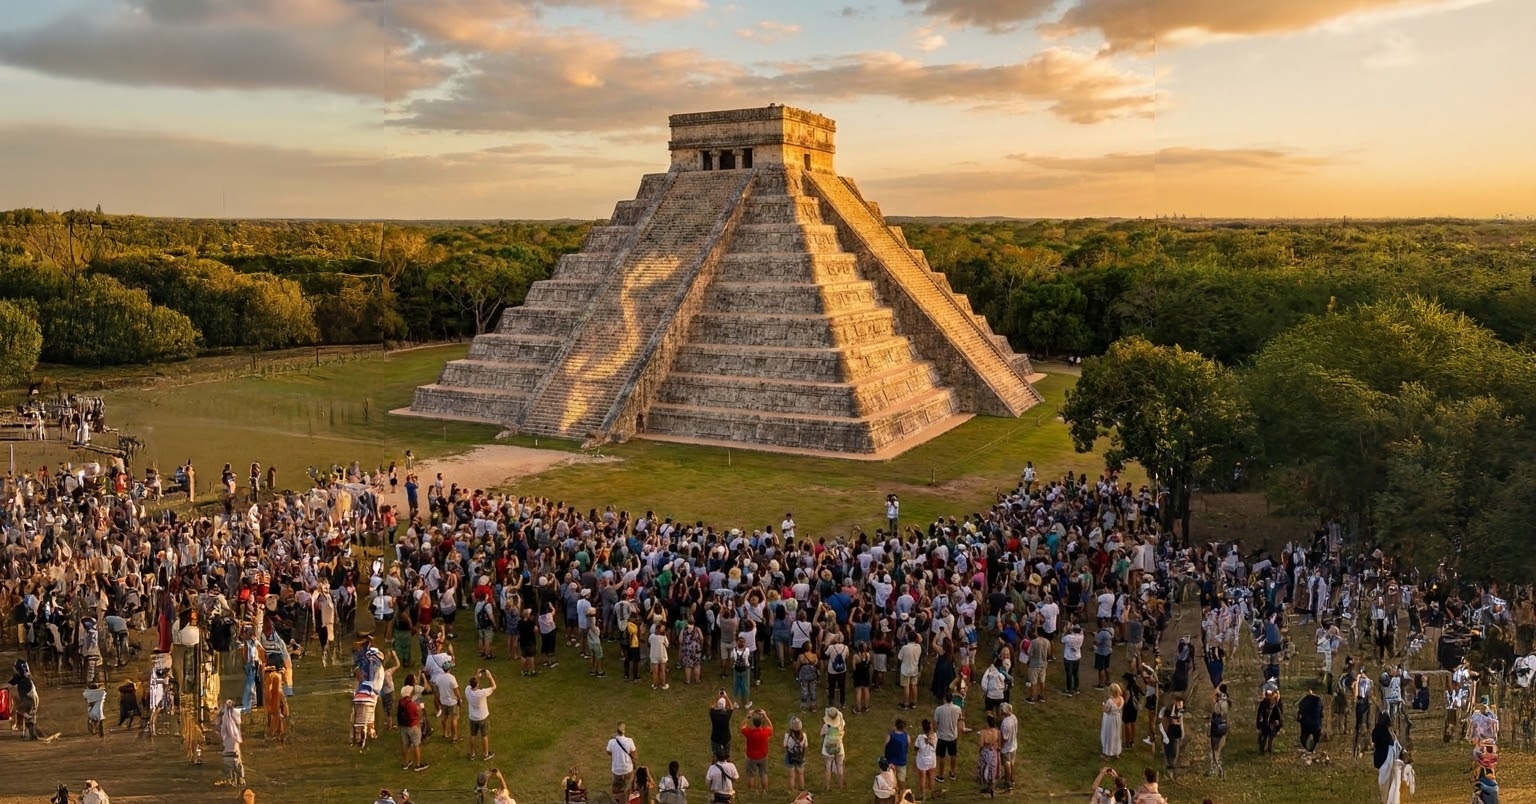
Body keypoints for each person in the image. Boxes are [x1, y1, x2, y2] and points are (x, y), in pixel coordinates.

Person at [466, 668, 497, 761]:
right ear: (477, 684)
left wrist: (477, 675)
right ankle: (486, 754)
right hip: (482, 717)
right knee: (484, 735)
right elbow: (494, 686)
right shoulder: (482, 693)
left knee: (473, 735)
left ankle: (472, 754)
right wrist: (490, 676)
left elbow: (474, 684)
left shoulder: (467, 690)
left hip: (472, 717)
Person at [741, 708, 773, 793]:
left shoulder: (749, 733)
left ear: (753, 723)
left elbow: (742, 726)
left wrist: (748, 716)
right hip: (763, 756)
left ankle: (750, 791)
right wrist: (765, 716)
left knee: (750, 775)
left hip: (751, 757)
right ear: (761, 723)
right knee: (763, 774)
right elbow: (771, 728)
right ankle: (764, 790)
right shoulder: (765, 732)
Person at [934, 694, 964, 783]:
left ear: (944, 699)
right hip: (953, 736)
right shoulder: (957, 708)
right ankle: (953, 773)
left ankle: (941, 775)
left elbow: (935, 723)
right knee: (953, 754)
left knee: (942, 756)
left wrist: (935, 731)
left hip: (942, 736)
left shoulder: (939, 709)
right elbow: (960, 720)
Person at [398, 684, 429, 772]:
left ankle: (405, 763)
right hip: (413, 726)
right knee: (416, 745)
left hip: (403, 727)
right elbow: (419, 712)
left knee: (405, 744)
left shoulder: (400, 702)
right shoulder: (411, 704)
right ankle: (418, 765)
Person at [9, 658, 40, 740]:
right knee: (27, 714)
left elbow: (28, 699)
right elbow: (11, 684)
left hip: (29, 699)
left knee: (28, 715)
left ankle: (31, 734)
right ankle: (28, 733)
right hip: (29, 698)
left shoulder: (24, 681)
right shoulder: (21, 678)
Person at [607, 722, 639, 797]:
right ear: (624, 731)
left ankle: (617, 799)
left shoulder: (611, 742)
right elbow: (634, 754)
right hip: (628, 769)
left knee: (616, 788)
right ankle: (627, 798)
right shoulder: (630, 741)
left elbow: (608, 752)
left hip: (617, 770)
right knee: (628, 787)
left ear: (617, 731)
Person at [219, 700, 245, 787]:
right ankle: (239, 779)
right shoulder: (235, 715)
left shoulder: (225, 718)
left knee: (231, 763)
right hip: (234, 744)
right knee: (237, 762)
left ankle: (232, 779)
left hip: (228, 747)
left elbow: (221, 730)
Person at [1158, 694, 1185, 781]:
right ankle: (1167, 772)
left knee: (1174, 753)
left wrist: (1182, 733)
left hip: (1176, 735)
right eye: (1179, 703)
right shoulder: (1169, 710)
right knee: (1168, 752)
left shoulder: (1179, 711)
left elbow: (1180, 723)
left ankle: (1171, 772)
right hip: (1169, 734)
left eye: (1181, 703)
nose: (1180, 705)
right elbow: (1164, 721)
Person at [975, 711, 1001, 797]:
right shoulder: (997, 732)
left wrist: (980, 751)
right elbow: (999, 744)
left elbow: (981, 744)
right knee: (992, 769)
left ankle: (985, 785)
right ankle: (991, 786)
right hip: (993, 752)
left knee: (983, 768)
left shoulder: (983, 732)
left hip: (985, 751)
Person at [820, 707, 846, 791]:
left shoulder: (825, 726)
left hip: (827, 750)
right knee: (840, 766)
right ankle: (840, 786)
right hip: (839, 747)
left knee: (827, 768)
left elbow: (822, 734)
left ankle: (827, 787)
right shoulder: (841, 723)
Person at [884, 717, 911, 797]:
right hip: (902, 761)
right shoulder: (906, 736)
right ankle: (901, 795)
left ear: (896, 725)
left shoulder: (891, 735)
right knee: (901, 780)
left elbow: (886, 744)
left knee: (891, 780)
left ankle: (892, 795)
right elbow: (908, 746)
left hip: (891, 761)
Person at [1208, 683, 1230, 778]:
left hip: (1217, 729)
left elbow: (1216, 713)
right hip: (1223, 728)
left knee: (1215, 750)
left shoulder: (1219, 703)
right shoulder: (1227, 700)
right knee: (1218, 750)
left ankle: (1217, 769)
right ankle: (1219, 768)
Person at [914, 718, 938, 800]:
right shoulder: (935, 736)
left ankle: (923, 795)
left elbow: (916, 749)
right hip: (932, 759)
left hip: (922, 760)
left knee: (922, 777)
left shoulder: (920, 738)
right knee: (931, 776)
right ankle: (932, 793)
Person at [783, 716, 809, 792]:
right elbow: (806, 745)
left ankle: (791, 790)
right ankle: (802, 789)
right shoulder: (804, 735)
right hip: (800, 756)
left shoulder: (787, 735)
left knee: (791, 776)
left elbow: (785, 745)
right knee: (801, 774)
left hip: (790, 756)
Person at [1258, 683, 1284, 754]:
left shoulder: (1277, 704)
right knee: (1263, 736)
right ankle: (1262, 750)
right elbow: (1260, 714)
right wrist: (1260, 723)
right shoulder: (1264, 703)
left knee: (1270, 737)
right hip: (1265, 723)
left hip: (1272, 724)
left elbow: (1280, 715)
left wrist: (1278, 721)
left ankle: (1269, 750)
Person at [1101, 682, 1124, 759]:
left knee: (1109, 735)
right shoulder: (1121, 699)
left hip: (1110, 720)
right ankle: (1116, 752)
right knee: (1116, 735)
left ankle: (1107, 753)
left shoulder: (1110, 701)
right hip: (1117, 718)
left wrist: (1103, 705)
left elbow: (1106, 711)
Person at [1298, 685, 1324, 753]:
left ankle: (1308, 748)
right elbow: (1321, 713)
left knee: (1304, 737)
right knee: (1316, 737)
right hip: (1316, 724)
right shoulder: (1319, 700)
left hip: (1306, 723)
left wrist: (1299, 718)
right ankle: (1312, 749)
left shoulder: (1305, 700)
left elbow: (1300, 709)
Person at [1062, 623, 1084, 696]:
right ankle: (1076, 688)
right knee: (1075, 673)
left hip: (1069, 658)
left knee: (1069, 674)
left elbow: (1062, 640)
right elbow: (1081, 631)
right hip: (1077, 657)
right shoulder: (1081, 636)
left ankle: (1069, 689)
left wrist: (1066, 631)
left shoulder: (1068, 637)